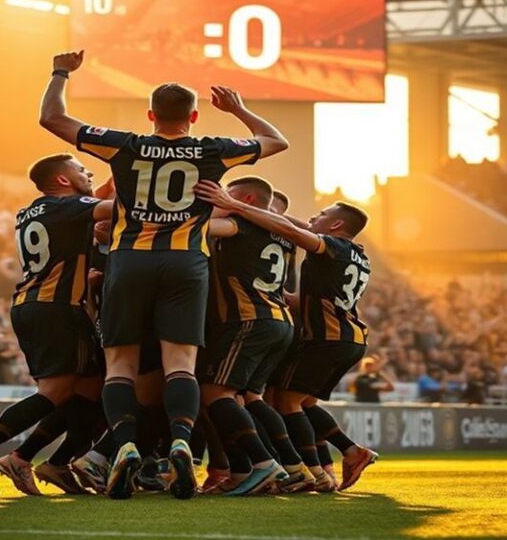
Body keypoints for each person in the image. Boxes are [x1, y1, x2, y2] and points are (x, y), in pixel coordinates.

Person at [40, 50, 288, 499]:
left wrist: (61, 72)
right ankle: (179, 439)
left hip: (129, 259)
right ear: (193, 115)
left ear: (150, 114)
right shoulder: (213, 148)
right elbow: (275, 142)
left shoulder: (124, 144)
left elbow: (53, 119)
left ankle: (127, 446)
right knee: (180, 364)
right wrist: (237, 110)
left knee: (121, 364)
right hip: (187, 263)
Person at [194, 181, 377, 492]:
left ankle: (304, 470)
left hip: (322, 336)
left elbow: (296, 232)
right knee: (297, 402)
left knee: (284, 402)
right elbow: (307, 284)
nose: (313, 218)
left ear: (336, 224)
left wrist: (234, 204)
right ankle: (337, 459)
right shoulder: (359, 256)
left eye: (321, 214)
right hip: (347, 336)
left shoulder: (332, 245)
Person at [0, 153, 112, 496]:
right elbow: (115, 208)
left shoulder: (35, 210)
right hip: (57, 307)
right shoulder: (67, 207)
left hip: (36, 304)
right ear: (64, 180)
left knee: (90, 391)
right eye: (81, 170)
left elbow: (97, 200)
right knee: (55, 392)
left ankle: (37, 460)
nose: (89, 173)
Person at [200, 177, 308, 495]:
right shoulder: (283, 234)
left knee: (214, 395)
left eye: (228, 193)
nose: (222, 197)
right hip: (279, 323)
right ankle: (289, 467)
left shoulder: (239, 223)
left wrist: (219, 207)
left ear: (246, 198)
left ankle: (264, 464)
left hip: (249, 320)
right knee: (247, 399)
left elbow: (199, 226)